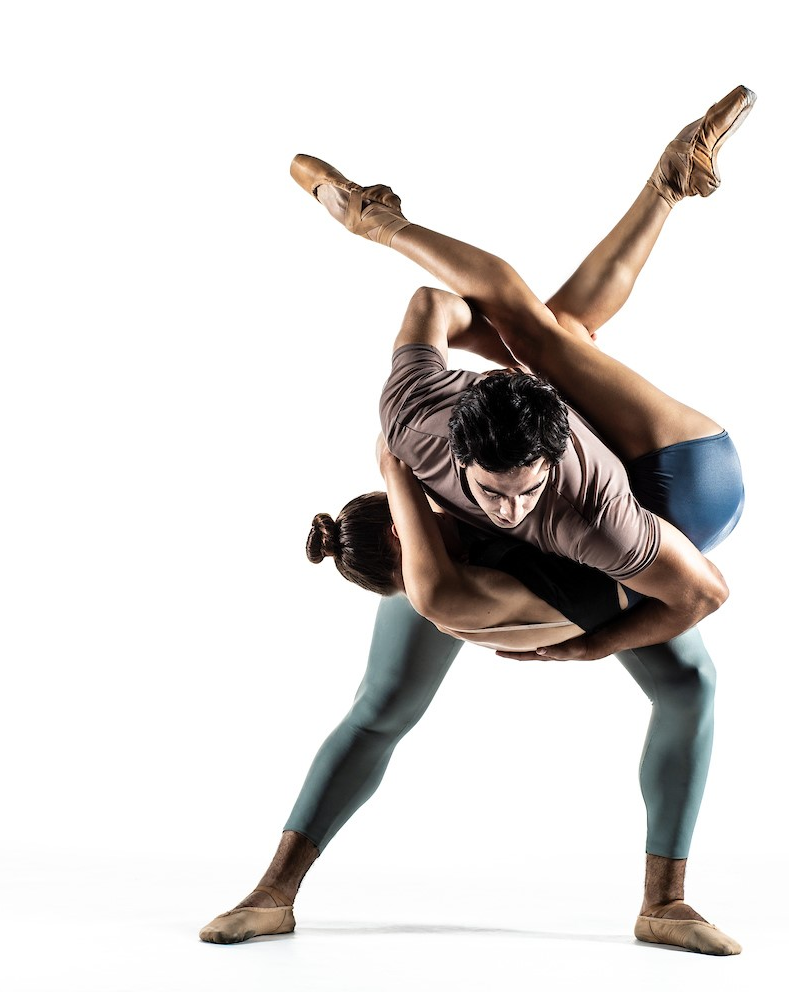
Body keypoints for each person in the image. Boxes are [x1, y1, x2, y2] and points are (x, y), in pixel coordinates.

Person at [200, 85, 755, 956]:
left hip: (674, 480)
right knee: (382, 701)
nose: (503, 510)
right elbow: (430, 307)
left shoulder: (593, 515)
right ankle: (274, 892)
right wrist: (465, 329)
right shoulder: (414, 418)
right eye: (484, 499)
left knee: (546, 332)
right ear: (427, 493)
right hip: (491, 454)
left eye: (515, 495)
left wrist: (383, 228)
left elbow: (703, 591)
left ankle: (666, 902)